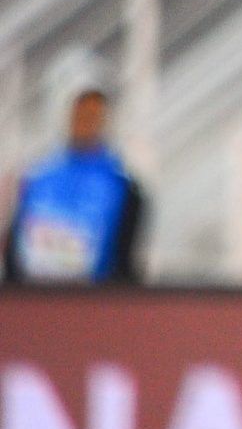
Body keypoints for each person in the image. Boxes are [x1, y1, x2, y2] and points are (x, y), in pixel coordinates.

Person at [5, 87, 147, 283]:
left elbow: (125, 259)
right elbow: (14, 248)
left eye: (93, 116)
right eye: (80, 114)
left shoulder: (123, 188)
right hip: (35, 298)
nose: (86, 123)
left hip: (92, 303)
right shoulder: (38, 179)